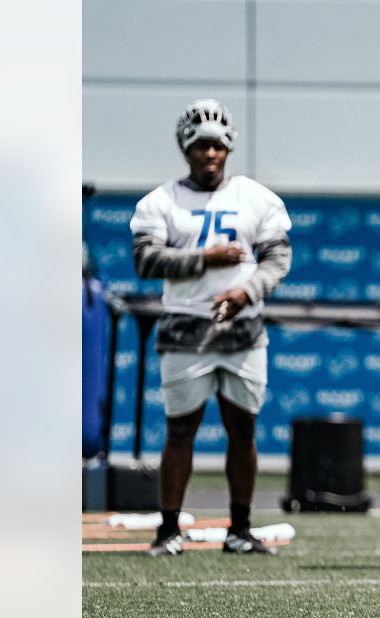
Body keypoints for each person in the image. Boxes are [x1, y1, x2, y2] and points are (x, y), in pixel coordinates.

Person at [131, 99, 293, 556]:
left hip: (242, 327)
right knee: (181, 430)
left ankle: (240, 529)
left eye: (218, 146)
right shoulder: (160, 201)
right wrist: (206, 258)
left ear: (229, 149)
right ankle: (168, 530)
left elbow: (278, 258)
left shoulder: (254, 197)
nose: (210, 154)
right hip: (186, 326)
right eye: (201, 146)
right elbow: (145, 260)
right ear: (186, 149)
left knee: (243, 429)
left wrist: (246, 292)